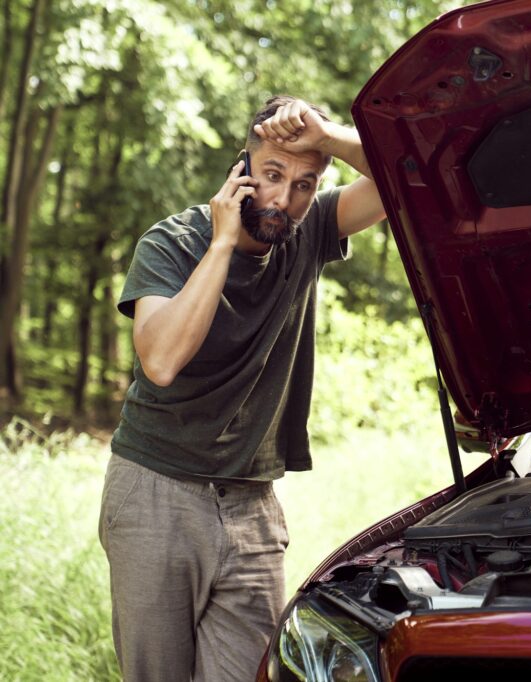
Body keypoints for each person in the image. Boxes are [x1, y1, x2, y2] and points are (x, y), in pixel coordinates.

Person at [98, 95, 385, 682]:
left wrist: (326, 135)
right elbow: (160, 359)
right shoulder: (171, 243)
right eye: (272, 175)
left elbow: (404, 181)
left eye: (305, 184)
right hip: (156, 490)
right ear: (241, 171)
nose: (284, 199)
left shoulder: (309, 232)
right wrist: (222, 243)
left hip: (252, 505)